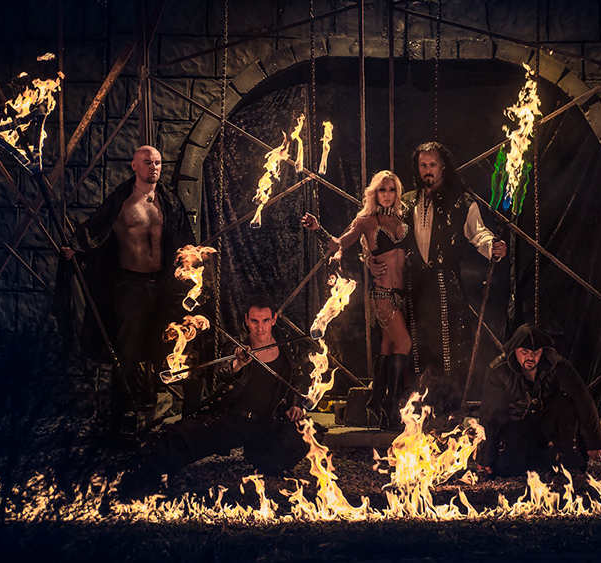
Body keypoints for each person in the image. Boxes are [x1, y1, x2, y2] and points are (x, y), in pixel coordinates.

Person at [58, 145, 195, 435]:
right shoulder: (121, 201)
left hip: (163, 285)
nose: (154, 167)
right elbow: (96, 229)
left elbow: (184, 239)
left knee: (164, 345)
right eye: (147, 162)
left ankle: (157, 406)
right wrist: (76, 247)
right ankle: (120, 415)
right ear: (134, 166)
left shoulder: (169, 201)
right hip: (131, 286)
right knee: (127, 353)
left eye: (157, 162)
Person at [117, 295, 309, 497]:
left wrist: (296, 405)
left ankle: (266, 461)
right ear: (246, 320)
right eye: (254, 321)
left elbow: (299, 378)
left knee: (306, 432)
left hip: (266, 423)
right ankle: (142, 483)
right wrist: (238, 363)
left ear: (274, 319)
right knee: (176, 438)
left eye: (265, 321)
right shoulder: (235, 345)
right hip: (231, 421)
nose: (260, 328)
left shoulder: (287, 347)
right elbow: (222, 372)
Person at [370, 142, 506, 412]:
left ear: (443, 166)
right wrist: (371, 261)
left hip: (446, 287)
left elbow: (478, 233)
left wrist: (492, 246)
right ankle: (413, 410)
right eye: (423, 165)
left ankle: (447, 410)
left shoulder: (461, 201)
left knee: (450, 348)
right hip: (413, 286)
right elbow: (377, 233)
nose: (428, 170)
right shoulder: (405, 202)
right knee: (412, 346)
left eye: (432, 164)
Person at [301, 170, 411, 429]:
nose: (387, 194)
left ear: (397, 193)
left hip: (404, 294)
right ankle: (390, 406)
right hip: (383, 294)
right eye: (382, 190)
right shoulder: (366, 221)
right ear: (374, 193)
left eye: (391, 190)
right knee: (404, 343)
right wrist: (318, 230)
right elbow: (338, 244)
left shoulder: (404, 218)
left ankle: (376, 401)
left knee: (388, 347)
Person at [477, 324, 601, 477]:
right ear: (515, 350)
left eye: (536, 352)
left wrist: (595, 442)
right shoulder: (499, 370)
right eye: (525, 352)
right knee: (505, 467)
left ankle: (562, 456)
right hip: (516, 428)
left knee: (568, 402)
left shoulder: (557, 365)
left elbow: (583, 398)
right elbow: (491, 416)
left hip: (547, 425)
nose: (530, 357)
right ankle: (541, 460)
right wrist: (486, 456)